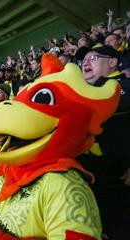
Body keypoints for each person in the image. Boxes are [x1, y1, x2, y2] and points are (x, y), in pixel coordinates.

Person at [79, 45, 130, 238]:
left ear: (112, 62)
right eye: (83, 60)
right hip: (98, 185)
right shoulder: (82, 95)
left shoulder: (125, 86)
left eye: (93, 58)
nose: (85, 62)